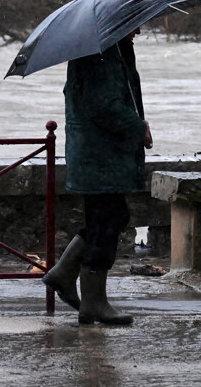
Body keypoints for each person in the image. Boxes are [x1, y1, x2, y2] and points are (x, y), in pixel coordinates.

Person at [42, 29, 152, 326]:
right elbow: (104, 105)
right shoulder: (101, 54)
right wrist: (138, 127)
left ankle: (65, 275)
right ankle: (92, 301)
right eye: (134, 23)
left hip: (99, 153)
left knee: (107, 218)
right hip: (101, 154)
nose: (139, 30)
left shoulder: (108, 49)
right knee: (109, 218)